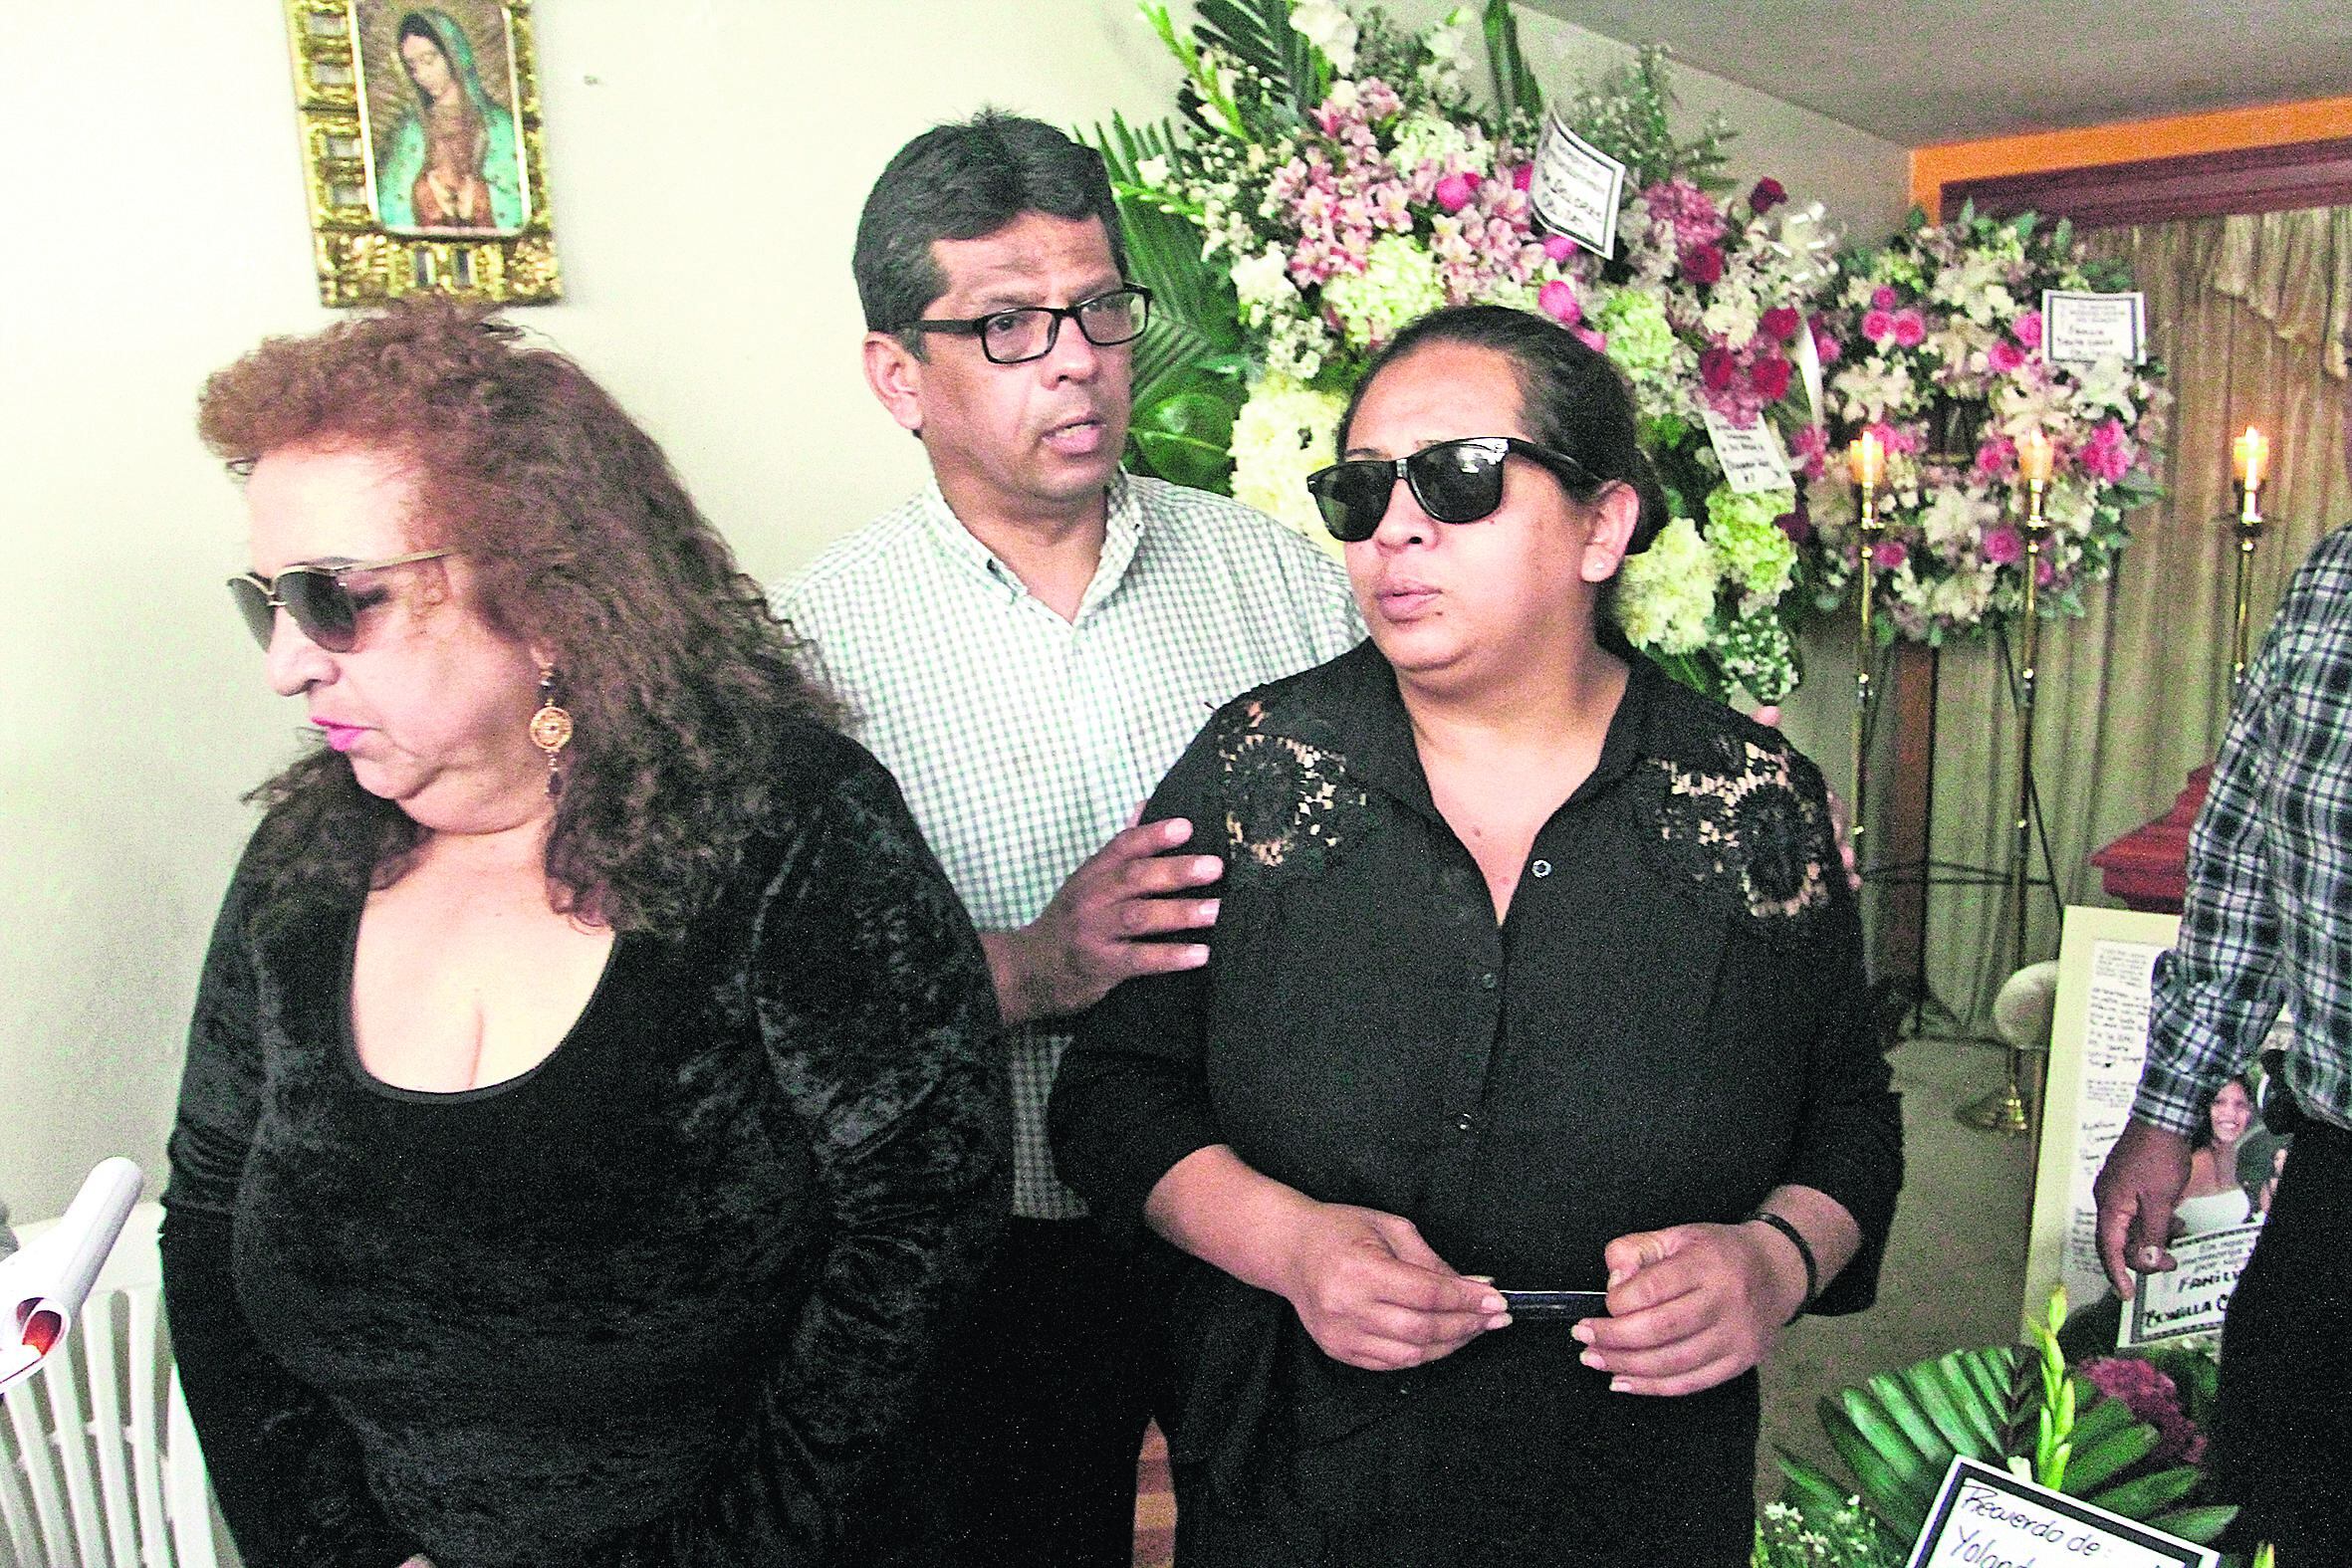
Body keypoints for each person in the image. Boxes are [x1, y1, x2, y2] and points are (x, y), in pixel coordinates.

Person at [1050, 304, 1903, 1566]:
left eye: (1457, 480)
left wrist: (1776, 1262)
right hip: (1303, 1469)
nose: (1396, 527)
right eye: (1359, 491)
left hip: (1629, 1472)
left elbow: (1849, 1111)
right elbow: (1112, 1097)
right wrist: (1287, 1245)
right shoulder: (1256, 769)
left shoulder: (1751, 802)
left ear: (1601, 526)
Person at [160, 300, 1008, 1568]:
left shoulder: (789, 827)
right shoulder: (301, 867)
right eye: (265, 601)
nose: (287, 662)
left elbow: (918, 1235)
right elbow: (208, 1216)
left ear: (546, 598)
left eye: (337, 600)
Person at [773, 112, 1363, 1567]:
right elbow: (779, 1005)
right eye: (1008, 324)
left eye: (1099, 307)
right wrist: (1038, 960)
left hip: (1261, 1207)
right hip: (991, 1241)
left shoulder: (1276, 581)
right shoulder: (806, 650)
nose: (1075, 358)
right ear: (894, 375)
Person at [2094, 379, 2352, 1560]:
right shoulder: (2332, 580)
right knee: (2278, 1495)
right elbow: (2245, 863)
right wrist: (2164, 1113)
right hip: (2339, 1168)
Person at [375, 10, 525, 233]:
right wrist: (426, 192)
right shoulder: (412, 130)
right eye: (413, 67)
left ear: (453, 55)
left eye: (428, 60)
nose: (422, 75)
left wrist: (478, 195)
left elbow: (516, 196)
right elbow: (393, 204)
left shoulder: (499, 125)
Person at [2169, 1074, 2255, 1235]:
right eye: (2218, 1103)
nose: (2230, 1113)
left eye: (2240, 1105)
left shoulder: (2231, 1154)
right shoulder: (2186, 1160)